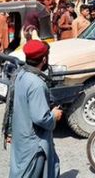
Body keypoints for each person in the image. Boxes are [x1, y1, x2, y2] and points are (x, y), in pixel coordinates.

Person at [6, 40, 62, 177]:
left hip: (21, 138)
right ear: (44, 59)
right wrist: (54, 115)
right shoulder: (36, 83)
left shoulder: (20, 75)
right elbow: (40, 118)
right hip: (33, 143)